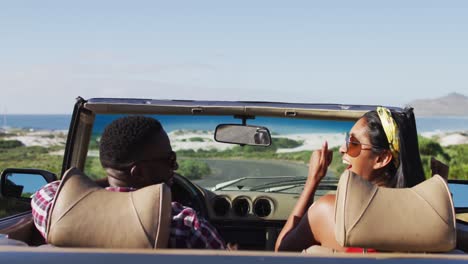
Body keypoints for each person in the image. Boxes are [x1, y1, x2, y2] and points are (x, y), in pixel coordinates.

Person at [31, 115, 226, 249]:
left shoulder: (53, 207)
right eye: (169, 159)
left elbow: (57, 189)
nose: (174, 168)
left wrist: (104, 186)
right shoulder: (185, 224)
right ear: (139, 172)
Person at [275, 106, 428, 252]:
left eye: (353, 143)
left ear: (381, 159)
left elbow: (282, 251)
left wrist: (312, 181)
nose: (342, 149)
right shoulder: (427, 217)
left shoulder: (329, 210)